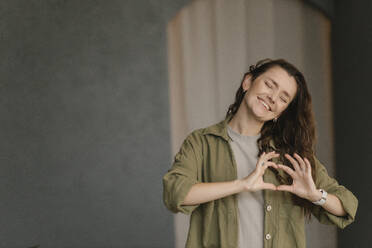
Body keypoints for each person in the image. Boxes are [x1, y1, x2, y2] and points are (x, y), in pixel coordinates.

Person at [162, 58, 358, 248]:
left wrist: (315, 195)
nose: (272, 97)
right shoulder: (201, 143)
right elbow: (175, 194)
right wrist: (242, 184)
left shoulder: (290, 154)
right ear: (248, 81)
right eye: (269, 85)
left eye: (283, 98)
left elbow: (347, 206)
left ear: (281, 111)